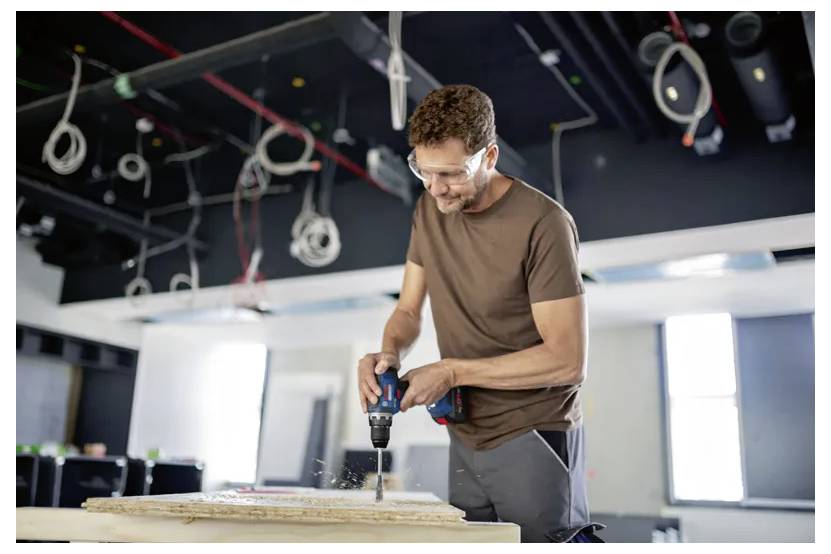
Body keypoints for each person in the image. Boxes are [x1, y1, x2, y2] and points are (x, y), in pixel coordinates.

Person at [356, 84, 603, 543]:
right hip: (464, 433)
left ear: (489, 157)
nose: (435, 188)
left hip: (532, 432)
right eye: (422, 171)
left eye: (450, 174)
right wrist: (387, 354)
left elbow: (568, 361)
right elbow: (408, 308)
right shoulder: (430, 208)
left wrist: (451, 371)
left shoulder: (542, 223)